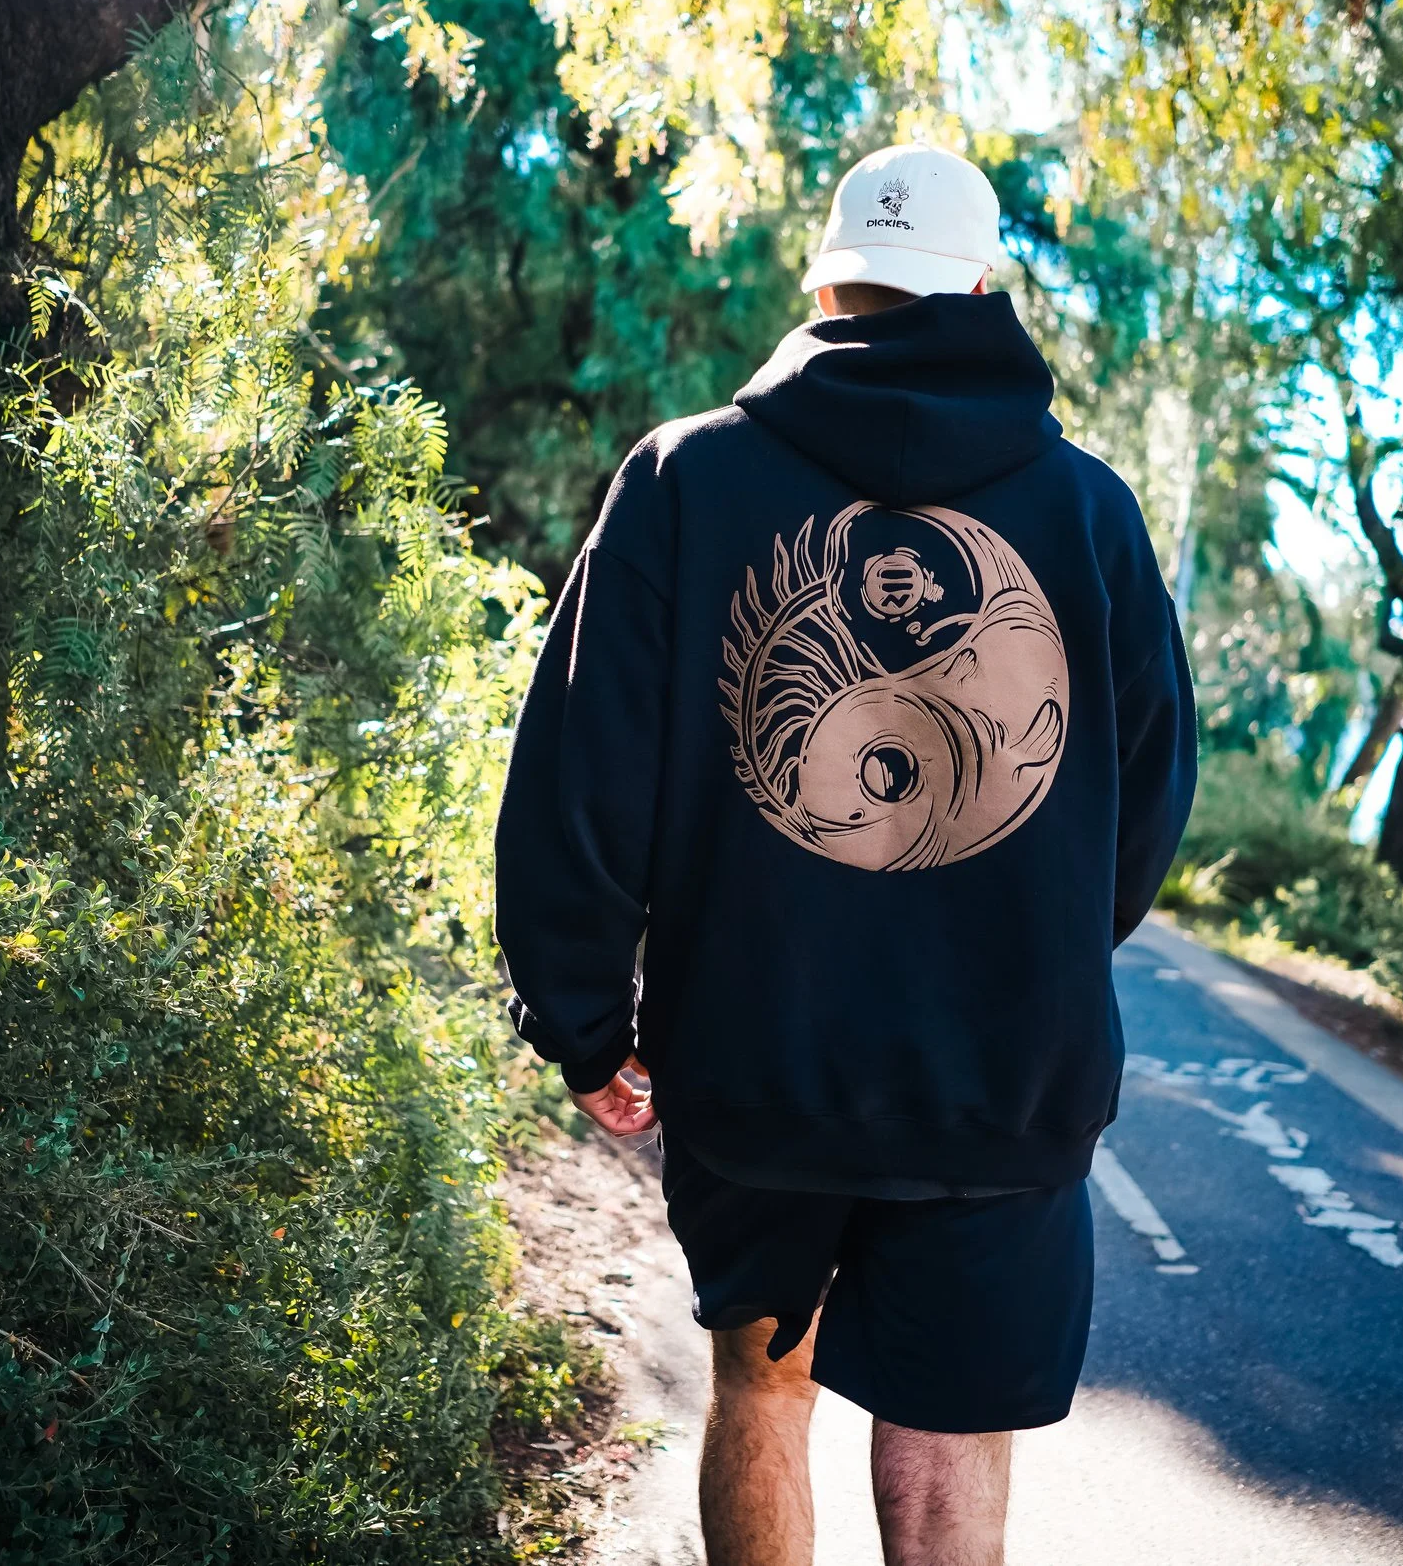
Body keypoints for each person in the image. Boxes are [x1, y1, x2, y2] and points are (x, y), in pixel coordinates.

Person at [494, 142, 1197, 1566]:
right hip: (1002, 1078)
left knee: (763, 1381)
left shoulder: (685, 481)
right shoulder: (1090, 516)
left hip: (762, 1068)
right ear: (985, 291)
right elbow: (1147, 801)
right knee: (950, 1436)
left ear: (822, 281)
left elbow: (581, 774)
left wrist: (583, 1027)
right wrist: (1029, 942)